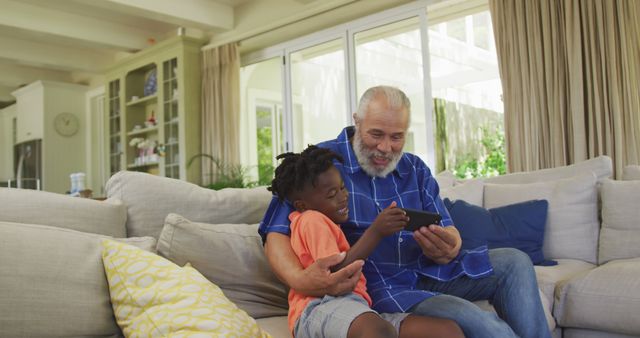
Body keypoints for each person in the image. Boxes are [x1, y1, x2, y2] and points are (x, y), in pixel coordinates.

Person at [259, 85, 551, 338]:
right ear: (356, 122)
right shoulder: (319, 165)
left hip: (430, 270)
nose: (385, 147)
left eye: (396, 137)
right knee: (476, 320)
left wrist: (450, 245)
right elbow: (276, 233)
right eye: (376, 134)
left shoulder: (415, 168)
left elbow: (448, 229)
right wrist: (300, 280)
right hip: (383, 284)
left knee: (514, 261)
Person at [268, 145, 464, 338]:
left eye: (343, 188)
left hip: (357, 307)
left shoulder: (328, 223)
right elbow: (336, 275)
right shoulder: (311, 220)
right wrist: (376, 231)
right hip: (318, 307)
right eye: (332, 194)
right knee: (376, 330)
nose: (343, 197)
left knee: (447, 331)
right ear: (302, 205)